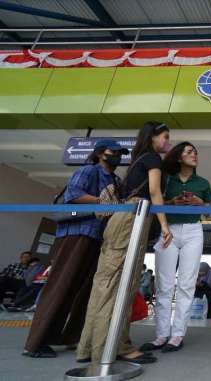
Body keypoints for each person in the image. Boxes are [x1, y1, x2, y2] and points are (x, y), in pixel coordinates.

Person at [77, 121, 173, 365]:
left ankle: (90, 346)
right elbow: (154, 192)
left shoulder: (136, 161)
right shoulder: (152, 159)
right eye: (165, 137)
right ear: (153, 137)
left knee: (104, 285)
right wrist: (163, 224)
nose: (168, 143)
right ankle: (117, 346)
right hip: (134, 220)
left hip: (119, 221)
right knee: (123, 284)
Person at [24, 139, 127, 358]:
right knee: (62, 284)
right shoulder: (89, 170)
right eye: (113, 152)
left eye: (120, 153)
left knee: (84, 290)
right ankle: (36, 342)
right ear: (100, 153)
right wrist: (103, 201)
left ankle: (70, 336)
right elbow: (74, 194)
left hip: (99, 236)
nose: (117, 156)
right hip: (77, 231)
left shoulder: (116, 180)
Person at [141, 141, 211, 353]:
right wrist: (173, 202)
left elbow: (208, 212)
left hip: (193, 230)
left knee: (187, 283)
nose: (194, 155)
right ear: (179, 157)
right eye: (189, 152)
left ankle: (177, 335)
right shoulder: (167, 180)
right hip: (168, 229)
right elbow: (157, 202)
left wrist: (200, 203)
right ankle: (161, 334)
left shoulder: (203, 182)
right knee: (164, 284)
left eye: (196, 152)